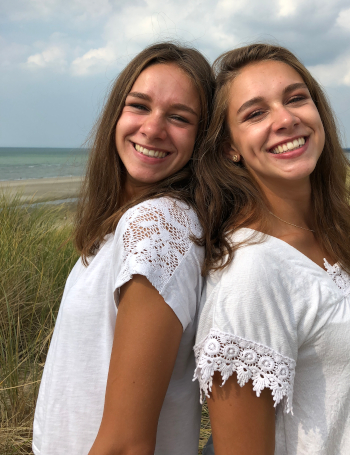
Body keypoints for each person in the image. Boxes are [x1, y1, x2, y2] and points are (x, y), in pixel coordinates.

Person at [193, 44, 350, 454]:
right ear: (230, 147)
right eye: (255, 113)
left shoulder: (328, 233)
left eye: (295, 98)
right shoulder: (252, 271)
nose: (285, 119)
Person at [33, 43, 214, 454]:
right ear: (116, 113)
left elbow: (127, 444)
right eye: (139, 106)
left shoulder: (157, 225)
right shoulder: (126, 223)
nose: (152, 129)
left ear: (203, 139)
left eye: (179, 117)